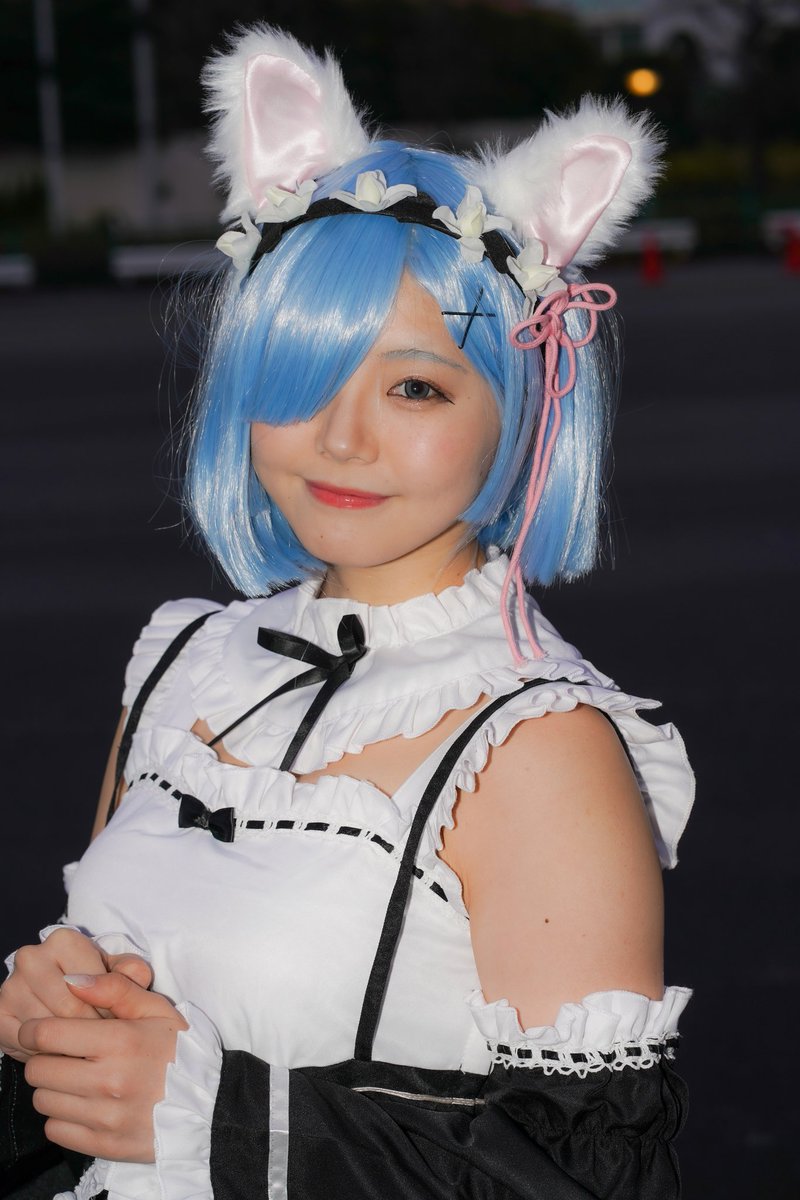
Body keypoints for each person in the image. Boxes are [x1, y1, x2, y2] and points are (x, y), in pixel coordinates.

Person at [0, 25, 694, 1200]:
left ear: (520, 408)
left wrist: (221, 1119)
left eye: (413, 386)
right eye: (303, 373)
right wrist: (44, 1037)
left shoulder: (538, 746)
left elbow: (589, 1177)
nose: (339, 438)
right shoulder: (184, 660)